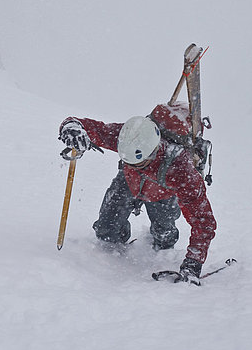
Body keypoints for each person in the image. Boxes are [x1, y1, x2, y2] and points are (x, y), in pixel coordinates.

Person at [59, 102, 217, 284]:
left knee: (164, 239)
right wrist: (71, 127)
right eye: (128, 161)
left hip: (163, 195)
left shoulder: (181, 169)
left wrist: (193, 263)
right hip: (128, 183)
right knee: (106, 232)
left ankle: (163, 238)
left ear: (153, 152)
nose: (134, 167)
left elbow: (204, 221)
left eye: (139, 164)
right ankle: (119, 235)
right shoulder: (127, 136)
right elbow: (90, 127)